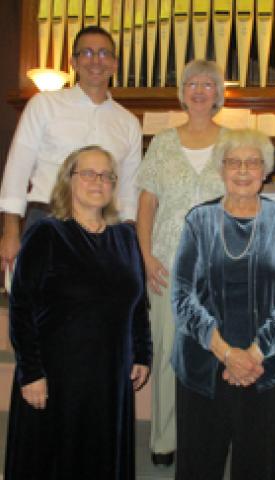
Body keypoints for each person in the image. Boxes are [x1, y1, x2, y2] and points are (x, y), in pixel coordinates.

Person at [4, 145, 152, 480]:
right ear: (68, 180)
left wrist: (142, 353)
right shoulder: (47, 234)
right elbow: (22, 307)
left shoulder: (125, 237)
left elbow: (138, 302)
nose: (97, 181)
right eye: (88, 173)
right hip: (56, 377)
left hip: (110, 378)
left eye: (106, 175)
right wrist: (31, 373)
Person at [171, 128, 275, 480]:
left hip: (268, 367)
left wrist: (254, 354)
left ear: (266, 172)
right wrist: (228, 354)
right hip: (205, 361)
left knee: (257, 464)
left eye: (253, 162)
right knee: (199, 465)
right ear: (221, 169)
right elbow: (182, 295)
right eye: (234, 162)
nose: (244, 170)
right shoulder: (198, 220)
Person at [136, 59, 226, 466]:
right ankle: (164, 440)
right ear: (183, 91)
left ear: (218, 93)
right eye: (193, 83)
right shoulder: (163, 142)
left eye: (208, 83)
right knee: (170, 353)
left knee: (212, 353)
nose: (200, 89)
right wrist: (145, 255)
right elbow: (147, 204)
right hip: (167, 266)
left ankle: (206, 437)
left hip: (218, 270)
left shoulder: (234, 141)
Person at [0, 25, 142, 272]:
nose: (95, 60)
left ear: (115, 64)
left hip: (103, 229)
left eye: (104, 53)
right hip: (47, 220)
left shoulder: (128, 122)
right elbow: (18, 167)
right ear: (73, 62)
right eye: (86, 53)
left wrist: (127, 239)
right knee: (40, 307)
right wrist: (10, 231)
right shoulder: (44, 105)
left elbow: (129, 189)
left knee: (93, 307)